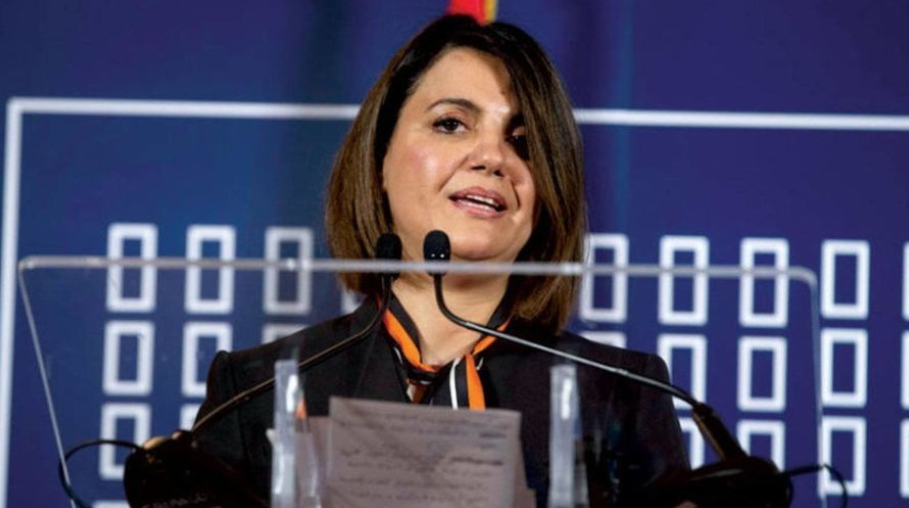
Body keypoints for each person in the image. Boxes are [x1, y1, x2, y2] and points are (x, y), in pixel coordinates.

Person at [195, 14, 688, 507]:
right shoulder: (256, 389)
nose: (492, 157)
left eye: (523, 142)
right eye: (450, 124)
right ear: (380, 159)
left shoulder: (619, 394)